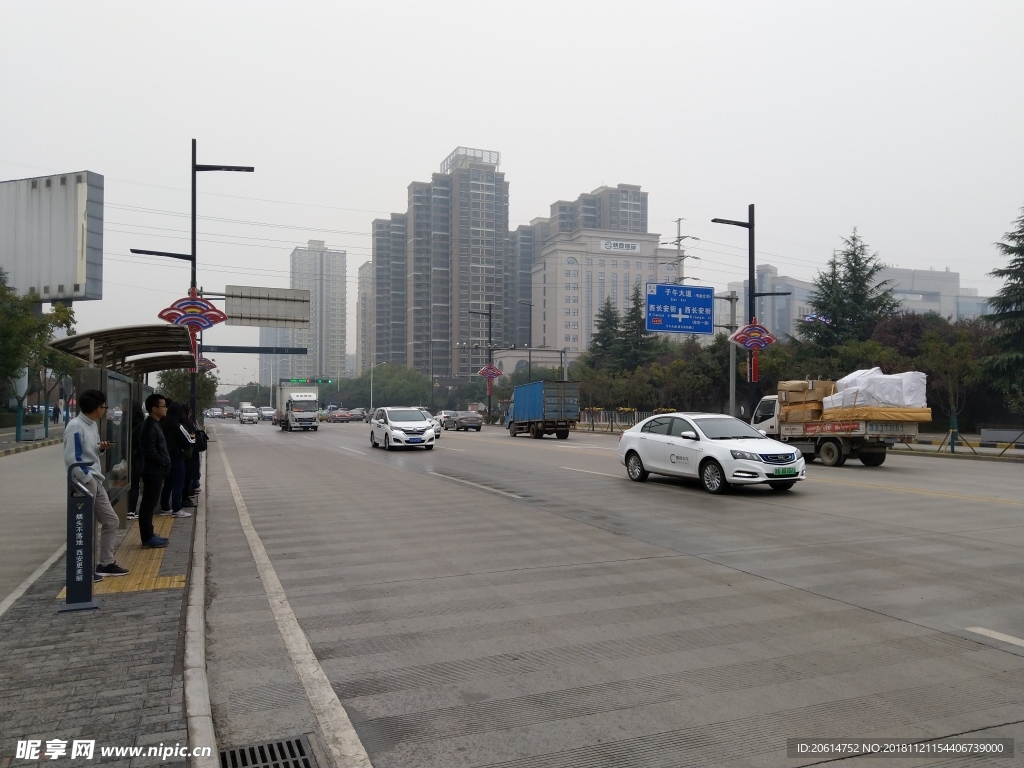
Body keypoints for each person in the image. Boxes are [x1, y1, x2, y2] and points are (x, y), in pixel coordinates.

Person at [62, 389, 129, 579]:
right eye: (104, 406)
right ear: (96, 408)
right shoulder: (75, 427)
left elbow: (90, 450)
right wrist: (86, 479)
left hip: (94, 479)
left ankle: (105, 563)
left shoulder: (92, 425)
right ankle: (84, 571)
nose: (105, 409)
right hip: (84, 482)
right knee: (85, 526)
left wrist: (100, 448)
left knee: (111, 521)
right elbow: (72, 458)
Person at [138, 394, 171, 548]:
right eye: (163, 406)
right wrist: (163, 462)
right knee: (148, 505)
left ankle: (150, 534)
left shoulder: (155, 424)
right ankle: (147, 538)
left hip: (156, 470)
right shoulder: (150, 426)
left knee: (150, 504)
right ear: (154, 409)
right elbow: (149, 450)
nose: (166, 408)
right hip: (153, 471)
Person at [159, 401, 195, 518]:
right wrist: (194, 438)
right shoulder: (178, 426)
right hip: (177, 457)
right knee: (179, 483)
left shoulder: (163, 424)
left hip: (166, 457)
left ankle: (165, 507)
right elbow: (188, 441)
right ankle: (177, 509)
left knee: (168, 483)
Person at [126, 401, 146, 520]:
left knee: (130, 484)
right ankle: (131, 510)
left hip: (126, 457)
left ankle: (128, 509)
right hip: (137, 458)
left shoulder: (125, 422)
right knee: (134, 485)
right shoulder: (141, 424)